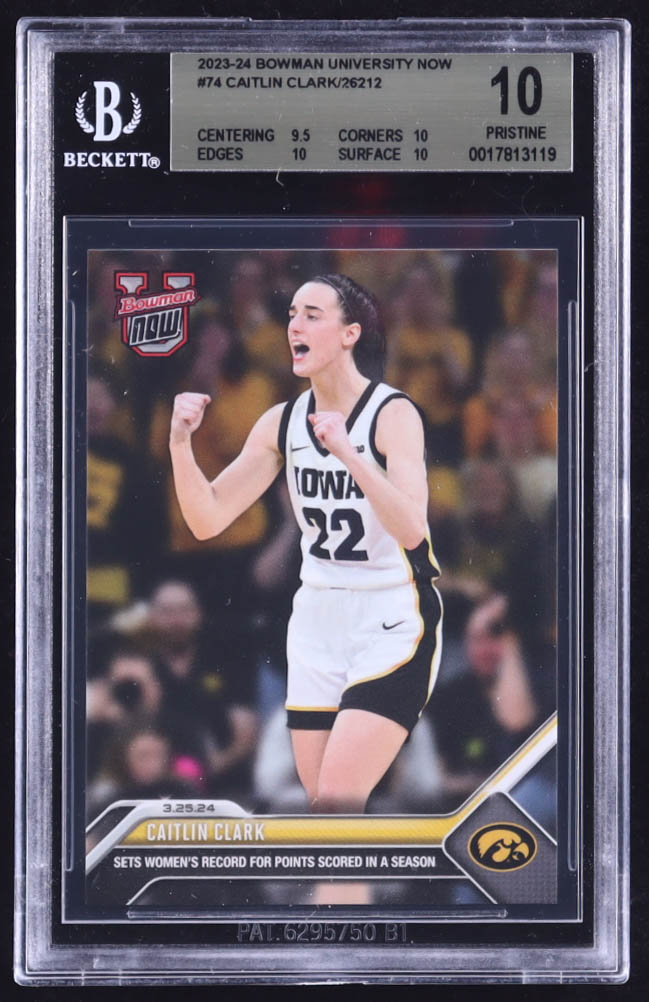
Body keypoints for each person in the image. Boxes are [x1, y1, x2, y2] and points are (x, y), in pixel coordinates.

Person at [169, 274, 443, 816]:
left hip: (391, 611)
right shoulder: (282, 421)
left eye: (313, 315)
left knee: (335, 804)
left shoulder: (393, 413)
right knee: (327, 816)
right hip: (316, 618)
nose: (295, 325)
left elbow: (413, 528)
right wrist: (180, 443)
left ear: (349, 334)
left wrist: (349, 454)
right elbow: (207, 519)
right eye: (292, 313)